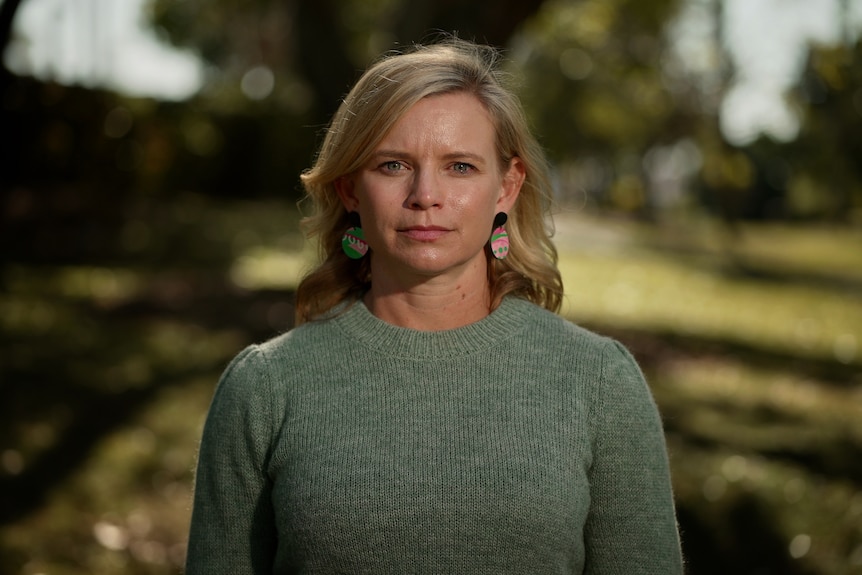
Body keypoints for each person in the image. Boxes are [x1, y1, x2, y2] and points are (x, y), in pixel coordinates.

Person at [185, 37, 683, 574]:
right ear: (351, 188)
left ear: (507, 187)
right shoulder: (264, 390)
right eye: (394, 164)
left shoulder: (601, 383)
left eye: (460, 167)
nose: (426, 195)